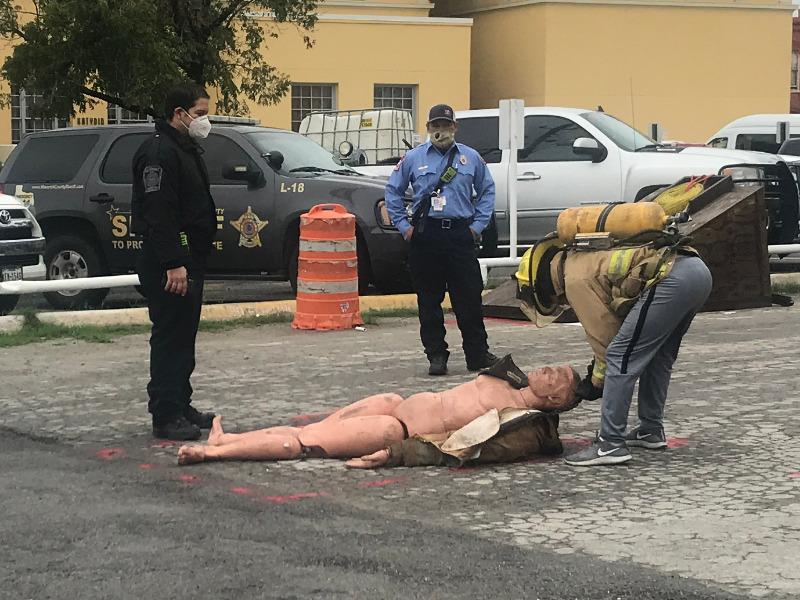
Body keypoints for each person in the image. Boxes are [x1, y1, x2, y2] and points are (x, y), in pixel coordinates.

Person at [519, 231, 713, 466]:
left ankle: (610, 443)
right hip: (695, 270)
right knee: (658, 355)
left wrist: (593, 384)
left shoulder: (574, 280)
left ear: (541, 282)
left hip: (671, 278)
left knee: (620, 356)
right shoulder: (580, 257)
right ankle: (650, 429)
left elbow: (608, 341)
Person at [175, 356, 580, 466]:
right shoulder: (509, 376)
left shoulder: (524, 421)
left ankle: (213, 453)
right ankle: (229, 438)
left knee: (298, 443)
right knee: (313, 428)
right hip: (396, 404)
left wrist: (397, 455)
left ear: (558, 401)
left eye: (560, 375)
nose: (551, 368)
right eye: (554, 364)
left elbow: (475, 450)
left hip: (396, 431)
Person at [385, 104, 498, 376]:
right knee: (429, 300)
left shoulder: (470, 158)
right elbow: (393, 192)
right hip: (426, 234)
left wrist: (477, 226)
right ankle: (436, 355)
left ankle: (477, 354)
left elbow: (487, 191)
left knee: (469, 299)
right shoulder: (413, 158)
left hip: (460, 234)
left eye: (445, 126)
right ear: (428, 129)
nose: (440, 131)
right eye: (435, 126)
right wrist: (404, 227)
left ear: (454, 128)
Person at [132, 83, 218, 441]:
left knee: (185, 338)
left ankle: (181, 404)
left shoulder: (185, 148)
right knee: (169, 337)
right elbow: (159, 214)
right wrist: (173, 263)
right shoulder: (158, 153)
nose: (204, 120)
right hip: (170, 262)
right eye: (199, 113)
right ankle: (165, 415)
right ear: (178, 114)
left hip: (188, 258)